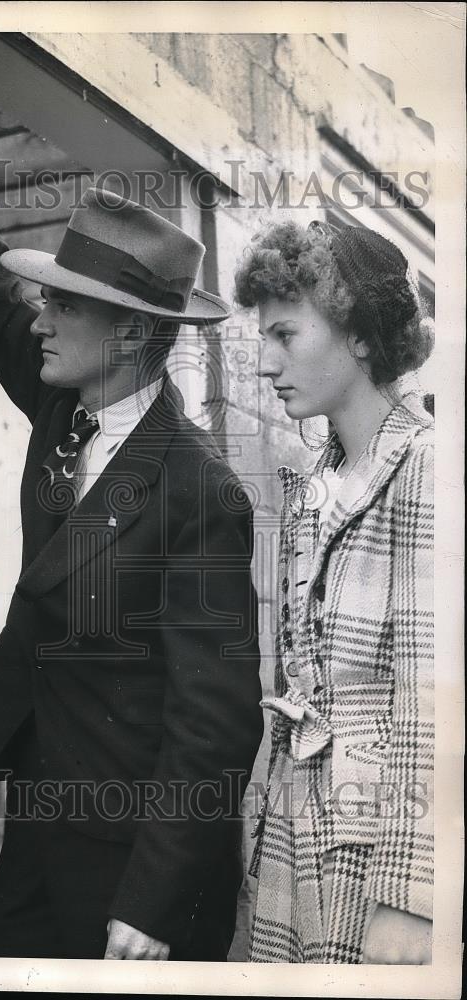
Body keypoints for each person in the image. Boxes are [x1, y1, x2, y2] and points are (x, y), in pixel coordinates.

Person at [0, 32, 262, 961]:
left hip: (139, 872)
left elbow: (214, 726)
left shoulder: (199, 489)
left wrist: (153, 903)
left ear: (132, 333)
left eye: (66, 305)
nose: (40, 318)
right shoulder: (63, 402)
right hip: (42, 832)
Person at [233, 219, 434, 964]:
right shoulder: (315, 483)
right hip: (297, 835)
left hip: (375, 856)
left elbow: (432, 701)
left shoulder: (425, 470)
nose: (264, 363)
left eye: (285, 335)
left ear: (358, 335)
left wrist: (413, 901)